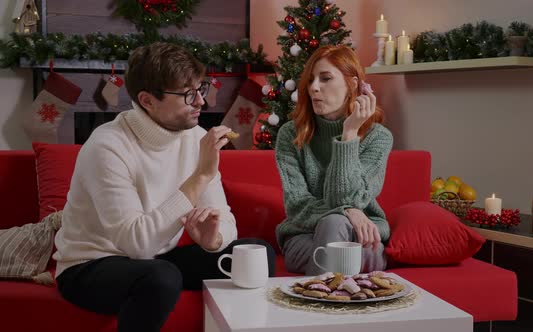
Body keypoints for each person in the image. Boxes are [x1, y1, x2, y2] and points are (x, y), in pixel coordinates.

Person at [53, 42, 275, 332]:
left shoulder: (196, 138)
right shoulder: (107, 146)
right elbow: (137, 243)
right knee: (161, 277)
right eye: (187, 94)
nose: (201, 102)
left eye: (201, 89)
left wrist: (214, 240)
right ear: (147, 100)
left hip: (154, 260)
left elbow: (226, 220)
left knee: (257, 252)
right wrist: (200, 177)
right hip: (90, 265)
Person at [275, 45, 393, 276]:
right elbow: (297, 205)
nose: (314, 88)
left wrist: (349, 134)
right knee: (334, 224)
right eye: (310, 81)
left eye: (325, 78)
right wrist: (348, 211)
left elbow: (346, 196)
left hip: (362, 237)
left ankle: (319, 299)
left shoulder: (378, 138)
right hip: (304, 235)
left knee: (338, 227)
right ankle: (341, 298)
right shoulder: (291, 134)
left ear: (353, 84)